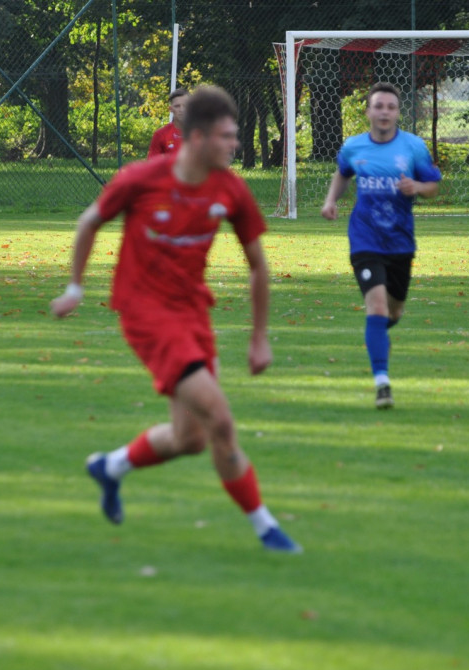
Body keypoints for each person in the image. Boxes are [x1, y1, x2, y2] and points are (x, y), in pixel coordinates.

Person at [50, 85, 301, 553]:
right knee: (222, 421)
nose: (235, 145)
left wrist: (260, 337)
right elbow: (89, 223)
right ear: (200, 136)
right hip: (146, 315)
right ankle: (268, 530)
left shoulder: (229, 187)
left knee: (191, 439)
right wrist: (75, 288)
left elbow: (258, 265)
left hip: (192, 313)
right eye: (227, 137)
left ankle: (110, 467)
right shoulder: (141, 179)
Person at [320, 82, 441, 410]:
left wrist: (416, 186)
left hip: (400, 241)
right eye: (379, 106)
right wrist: (331, 200)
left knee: (393, 311)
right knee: (376, 307)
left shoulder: (413, 147)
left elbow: (433, 186)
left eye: (390, 107)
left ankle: (376, 335)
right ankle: (382, 383)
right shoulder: (354, 147)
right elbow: (342, 173)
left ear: (398, 112)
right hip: (365, 238)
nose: (384, 112)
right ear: (369, 111)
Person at [147, 88, 188, 158]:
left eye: (185, 105)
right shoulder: (161, 135)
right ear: (171, 109)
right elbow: (152, 165)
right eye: (177, 106)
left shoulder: (202, 133)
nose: (182, 109)